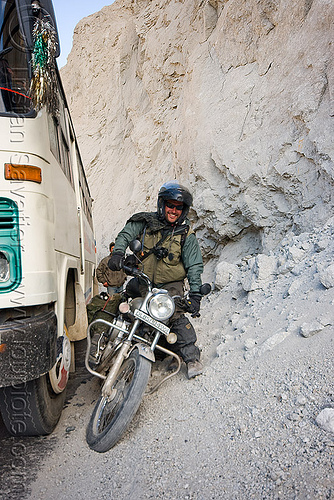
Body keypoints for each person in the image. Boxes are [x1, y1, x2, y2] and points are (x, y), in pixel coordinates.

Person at [108, 181, 204, 379]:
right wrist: (118, 253)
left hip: (170, 285)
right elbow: (126, 234)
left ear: (184, 211)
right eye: (170, 205)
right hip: (143, 281)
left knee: (175, 314)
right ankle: (105, 342)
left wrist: (195, 294)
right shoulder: (144, 222)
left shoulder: (186, 235)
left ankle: (192, 358)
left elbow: (194, 265)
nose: (174, 211)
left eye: (179, 208)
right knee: (121, 302)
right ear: (162, 204)